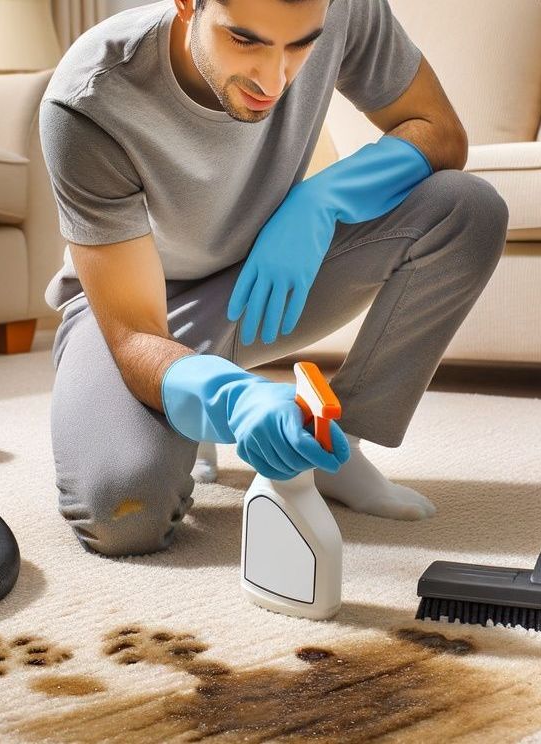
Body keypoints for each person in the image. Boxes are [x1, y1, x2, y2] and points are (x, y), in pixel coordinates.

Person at [39, 0, 509, 556]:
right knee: (124, 515)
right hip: (133, 313)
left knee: (465, 209)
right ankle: (190, 416)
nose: (275, 78)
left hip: (263, 278)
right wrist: (231, 399)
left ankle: (334, 445)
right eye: (246, 40)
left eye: (302, 45)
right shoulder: (90, 100)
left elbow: (440, 130)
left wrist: (323, 200)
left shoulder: (344, 7)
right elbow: (133, 335)